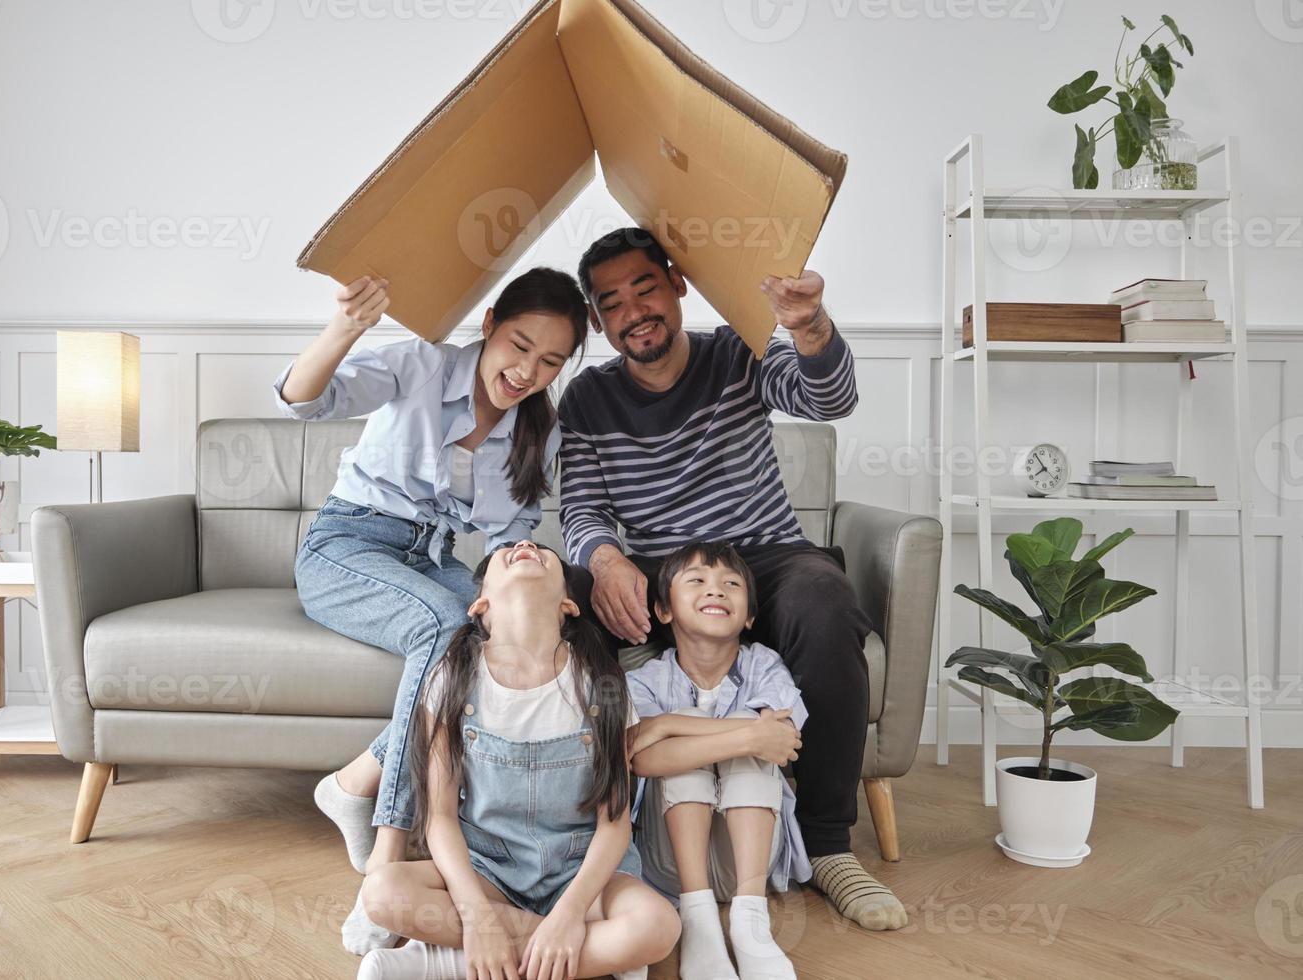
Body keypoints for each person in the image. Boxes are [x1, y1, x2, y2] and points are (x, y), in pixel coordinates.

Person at [559, 227, 908, 931]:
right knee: (538, 595)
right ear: (600, 322)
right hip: (655, 570)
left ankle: (829, 847)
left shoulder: (736, 352)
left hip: (761, 555)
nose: (634, 310)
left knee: (822, 595)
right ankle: (556, 829)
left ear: (677, 284)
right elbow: (583, 507)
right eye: (612, 303)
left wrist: (807, 324)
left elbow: (827, 399)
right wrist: (604, 560)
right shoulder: (586, 398)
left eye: (645, 287)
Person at [273, 267, 589, 954]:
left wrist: (523, 607)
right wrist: (347, 327)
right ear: (490, 324)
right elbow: (304, 399)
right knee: (445, 627)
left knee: (485, 635)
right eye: (519, 344)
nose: (527, 370)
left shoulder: (540, 432)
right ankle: (388, 856)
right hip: (347, 544)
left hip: (432, 557)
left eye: (550, 361)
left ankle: (356, 779)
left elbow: (511, 540)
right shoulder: (419, 364)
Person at [356, 541, 679, 980]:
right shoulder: (451, 678)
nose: (524, 545)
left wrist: (570, 913)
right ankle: (568, 959)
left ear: (568, 604)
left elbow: (614, 824)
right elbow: (441, 819)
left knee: (659, 926)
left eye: (541, 549)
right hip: (488, 867)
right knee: (382, 893)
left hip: (581, 870)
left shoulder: (602, 683)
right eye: (505, 550)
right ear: (480, 605)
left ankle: (448, 963)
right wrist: (478, 918)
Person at [628, 542, 808, 980]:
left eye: (731, 584)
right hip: (669, 864)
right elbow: (643, 761)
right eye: (697, 581)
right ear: (664, 610)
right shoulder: (644, 680)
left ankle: (751, 924)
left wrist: (668, 728)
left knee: (724, 739)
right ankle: (700, 921)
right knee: (711, 739)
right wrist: (748, 734)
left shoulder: (765, 666)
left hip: (749, 864)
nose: (717, 590)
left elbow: (781, 740)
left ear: (748, 617)